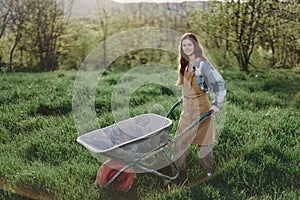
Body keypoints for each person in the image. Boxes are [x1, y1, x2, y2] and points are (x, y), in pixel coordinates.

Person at [173, 33, 226, 177]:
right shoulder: (184, 65)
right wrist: (185, 97)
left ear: (195, 46)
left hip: (202, 109)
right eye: (184, 45)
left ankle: (208, 172)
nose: (187, 47)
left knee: (205, 143)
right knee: (179, 141)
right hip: (187, 110)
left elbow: (220, 84)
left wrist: (216, 104)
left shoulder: (202, 65)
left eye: (190, 44)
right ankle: (177, 173)